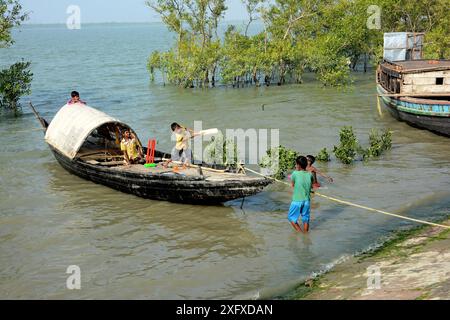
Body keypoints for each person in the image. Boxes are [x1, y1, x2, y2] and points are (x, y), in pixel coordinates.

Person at [288, 156, 313, 233]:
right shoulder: (310, 174)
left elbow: (292, 185)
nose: (295, 165)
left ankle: (300, 233)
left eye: (296, 164)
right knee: (306, 218)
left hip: (297, 200)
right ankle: (305, 234)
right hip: (307, 201)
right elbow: (310, 186)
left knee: (291, 218)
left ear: (298, 165)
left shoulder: (295, 173)